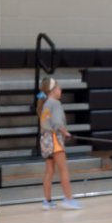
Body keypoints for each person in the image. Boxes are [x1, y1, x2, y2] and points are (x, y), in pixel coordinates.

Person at [35, 77, 81, 210]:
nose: (61, 90)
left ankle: (47, 202)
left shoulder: (45, 104)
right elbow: (57, 123)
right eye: (59, 88)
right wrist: (65, 132)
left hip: (45, 140)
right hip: (54, 138)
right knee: (63, 169)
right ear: (53, 90)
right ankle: (68, 199)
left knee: (49, 171)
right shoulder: (54, 103)